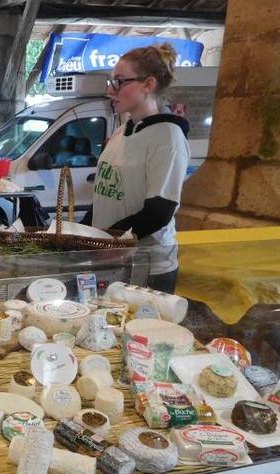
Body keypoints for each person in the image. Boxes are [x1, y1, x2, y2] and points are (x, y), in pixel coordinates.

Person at [81, 43, 190, 294]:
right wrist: (82, 236)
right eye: (111, 81)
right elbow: (104, 195)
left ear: (148, 84)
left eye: (119, 81)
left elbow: (158, 212)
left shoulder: (167, 137)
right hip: (112, 260)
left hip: (147, 266)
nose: (111, 90)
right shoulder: (122, 131)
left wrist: (105, 243)